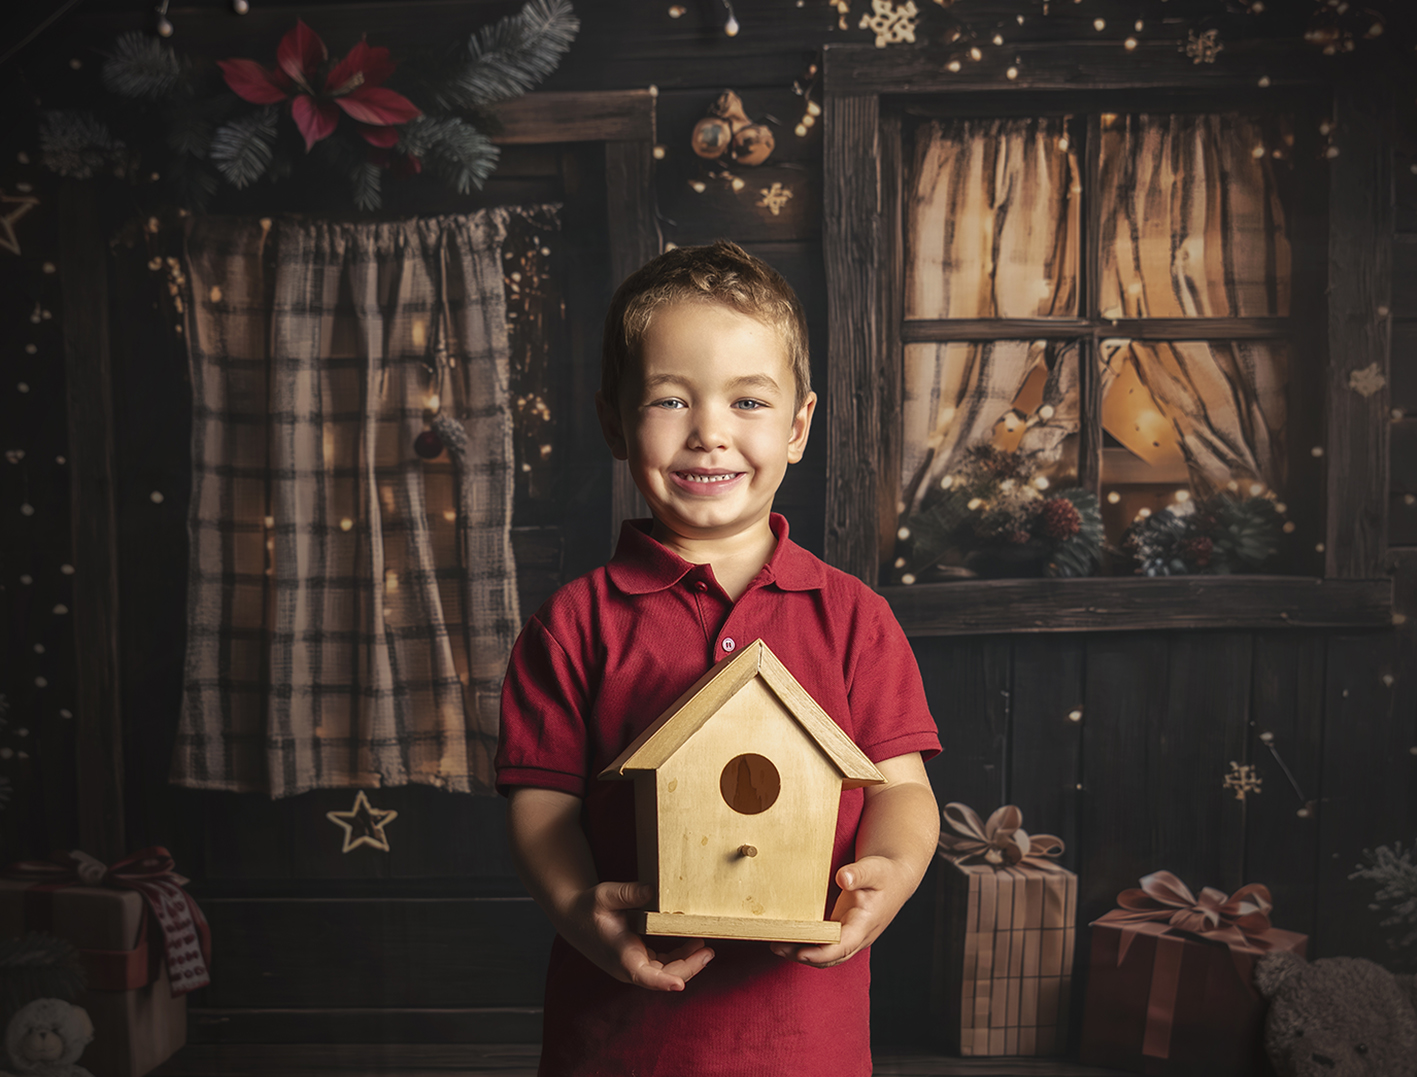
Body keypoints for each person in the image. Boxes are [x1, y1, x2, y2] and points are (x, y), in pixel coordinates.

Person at [496, 241, 941, 1076]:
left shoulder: (854, 619)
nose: (709, 433)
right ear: (613, 420)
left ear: (798, 426)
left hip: (805, 1041)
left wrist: (890, 872)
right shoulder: (572, 624)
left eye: (747, 400)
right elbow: (541, 809)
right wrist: (582, 914)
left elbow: (904, 789)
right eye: (669, 398)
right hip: (625, 1037)